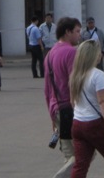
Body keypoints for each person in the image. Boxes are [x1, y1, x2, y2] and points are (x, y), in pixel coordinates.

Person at [68, 39, 104, 178]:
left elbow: (72, 102)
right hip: (95, 124)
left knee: (80, 165)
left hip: (77, 124)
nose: (100, 55)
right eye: (98, 52)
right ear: (92, 55)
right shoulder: (98, 75)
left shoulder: (75, 75)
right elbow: (103, 102)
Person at [44, 17, 83, 178]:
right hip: (70, 109)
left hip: (57, 109)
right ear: (67, 32)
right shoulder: (71, 52)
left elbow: (47, 88)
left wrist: (52, 116)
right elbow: (75, 84)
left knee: (70, 156)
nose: (79, 36)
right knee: (84, 153)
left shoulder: (50, 54)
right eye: (77, 31)